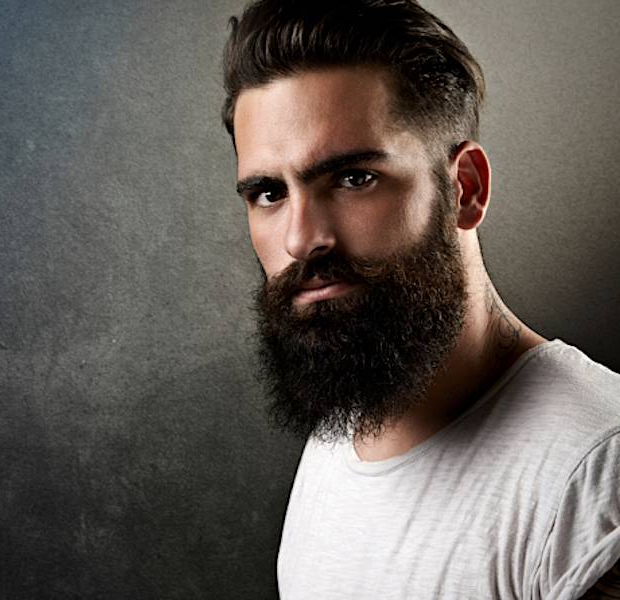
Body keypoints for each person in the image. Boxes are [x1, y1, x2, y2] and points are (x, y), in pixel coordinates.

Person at [220, 1, 620, 598]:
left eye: (354, 178)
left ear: (465, 189)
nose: (301, 239)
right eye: (269, 194)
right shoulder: (345, 419)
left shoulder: (592, 479)